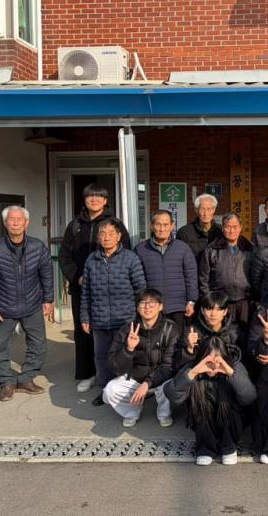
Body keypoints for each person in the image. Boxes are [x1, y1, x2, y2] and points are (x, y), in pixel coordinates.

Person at [58, 183, 131, 393]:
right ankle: (86, 374)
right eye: (90, 196)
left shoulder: (114, 224)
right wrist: (77, 277)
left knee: (109, 333)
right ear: (85, 200)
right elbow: (64, 257)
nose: (94, 199)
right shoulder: (75, 225)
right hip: (81, 288)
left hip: (109, 290)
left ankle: (114, 373)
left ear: (105, 200)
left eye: (99, 196)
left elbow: (125, 253)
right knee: (83, 332)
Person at [0, 206, 54, 402]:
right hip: (3, 308)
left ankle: (26, 379)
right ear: (5, 223)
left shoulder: (38, 247)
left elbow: (46, 274)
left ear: (27, 223)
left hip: (33, 305)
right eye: (12, 219)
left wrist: (48, 299)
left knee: (38, 344)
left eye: (20, 219)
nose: (16, 223)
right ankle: (6, 382)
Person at [81, 219, 146, 405]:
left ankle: (125, 391)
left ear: (119, 236)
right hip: (99, 319)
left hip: (125, 319)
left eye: (111, 233)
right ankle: (104, 391)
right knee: (101, 357)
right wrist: (85, 317)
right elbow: (86, 292)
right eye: (103, 234)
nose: (107, 237)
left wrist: (140, 316)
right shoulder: (92, 260)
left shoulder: (130, 258)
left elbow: (141, 289)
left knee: (124, 356)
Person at [164, 336, 257, 466]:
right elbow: (172, 394)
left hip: (231, 421)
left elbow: (250, 397)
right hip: (204, 421)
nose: (213, 366)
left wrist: (231, 373)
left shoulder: (235, 367)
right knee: (200, 407)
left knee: (231, 409)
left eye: (218, 360)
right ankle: (205, 449)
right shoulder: (192, 368)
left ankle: (229, 447)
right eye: (208, 361)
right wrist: (192, 373)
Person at [103, 289, 179, 428]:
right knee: (110, 390)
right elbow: (113, 366)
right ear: (137, 307)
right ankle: (131, 412)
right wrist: (129, 349)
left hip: (160, 378)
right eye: (143, 303)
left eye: (152, 303)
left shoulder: (170, 329)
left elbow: (168, 366)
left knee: (171, 386)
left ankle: (164, 413)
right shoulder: (127, 330)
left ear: (160, 306)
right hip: (135, 378)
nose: (147, 307)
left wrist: (147, 383)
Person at [134, 210, 198, 333]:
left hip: (178, 307)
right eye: (158, 224)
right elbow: (137, 280)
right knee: (152, 341)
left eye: (166, 224)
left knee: (176, 340)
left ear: (172, 226)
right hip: (151, 307)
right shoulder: (141, 249)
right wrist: (142, 302)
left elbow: (191, 277)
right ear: (151, 226)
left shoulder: (183, 248)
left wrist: (191, 301)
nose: (162, 229)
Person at [198, 212, 254, 326]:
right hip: (220, 303)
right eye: (228, 227)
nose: (231, 231)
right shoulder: (211, 249)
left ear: (240, 228)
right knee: (223, 333)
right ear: (223, 228)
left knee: (244, 333)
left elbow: (256, 276)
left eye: (235, 227)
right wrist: (211, 302)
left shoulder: (250, 248)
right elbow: (203, 279)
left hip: (245, 302)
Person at [175, 291, 244, 370]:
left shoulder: (235, 332)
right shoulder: (192, 332)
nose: (213, 314)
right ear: (202, 310)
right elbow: (179, 366)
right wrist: (189, 350)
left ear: (225, 312)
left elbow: (242, 362)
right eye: (209, 309)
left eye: (218, 309)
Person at [176, 193, 223, 260]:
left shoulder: (221, 231)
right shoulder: (184, 232)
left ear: (214, 210)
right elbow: (178, 257)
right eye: (202, 209)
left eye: (209, 209)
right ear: (196, 210)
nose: (205, 213)